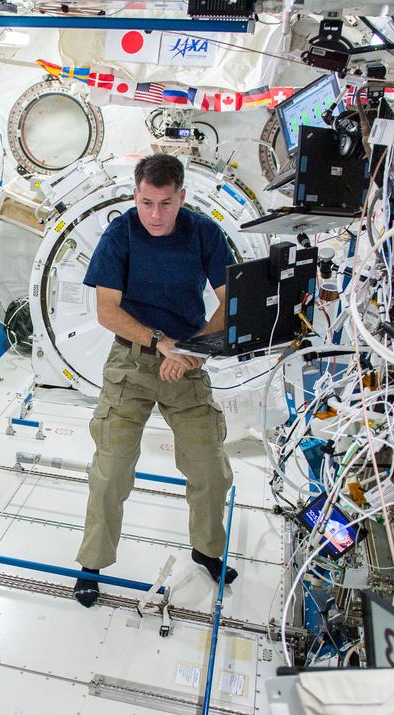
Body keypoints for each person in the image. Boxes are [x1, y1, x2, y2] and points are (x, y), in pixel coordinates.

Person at [73, 154, 236, 608]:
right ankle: (92, 563)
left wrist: (192, 351)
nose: (155, 215)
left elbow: (229, 301)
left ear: (182, 196)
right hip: (133, 361)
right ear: (134, 195)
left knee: (209, 467)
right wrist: (159, 342)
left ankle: (207, 550)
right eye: (146, 203)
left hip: (186, 361)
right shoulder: (120, 233)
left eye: (166, 203)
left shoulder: (204, 232)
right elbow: (107, 311)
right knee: (112, 468)